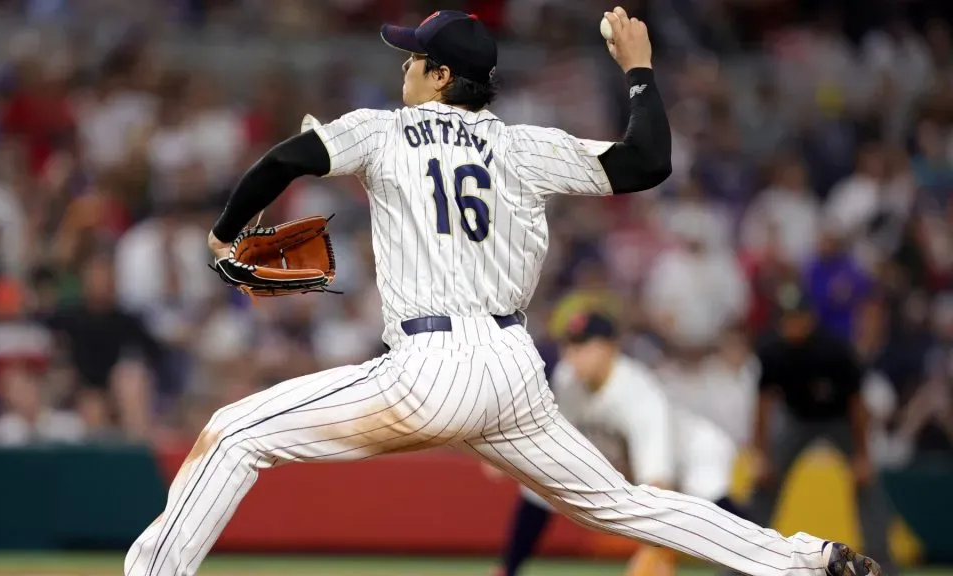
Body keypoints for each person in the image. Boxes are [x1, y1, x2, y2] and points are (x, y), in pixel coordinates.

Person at [125, 9, 883, 576]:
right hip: (513, 371)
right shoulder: (524, 143)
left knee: (233, 433)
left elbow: (281, 161)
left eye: (416, 58)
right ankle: (810, 562)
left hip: (430, 365)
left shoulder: (386, 130)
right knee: (617, 501)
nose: (405, 67)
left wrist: (228, 234)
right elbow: (647, 162)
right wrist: (641, 70)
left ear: (441, 78)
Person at [489, 311, 747, 576]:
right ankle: (508, 569)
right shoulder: (568, 380)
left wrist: (655, 551)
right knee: (540, 485)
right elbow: (550, 445)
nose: (573, 355)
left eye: (583, 345)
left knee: (725, 533)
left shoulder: (638, 395)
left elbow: (658, 485)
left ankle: (776, 562)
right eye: (569, 345)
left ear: (611, 347)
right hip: (638, 467)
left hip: (693, 458)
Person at [750, 287, 897, 575]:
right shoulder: (772, 351)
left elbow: (857, 406)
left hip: (839, 419)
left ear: (811, 318)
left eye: (798, 317)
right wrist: (761, 455)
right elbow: (763, 406)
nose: (793, 324)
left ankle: (883, 561)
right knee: (764, 481)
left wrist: (863, 455)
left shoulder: (834, 349)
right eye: (787, 318)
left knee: (866, 480)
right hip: (797, 419)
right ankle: (744, 555)